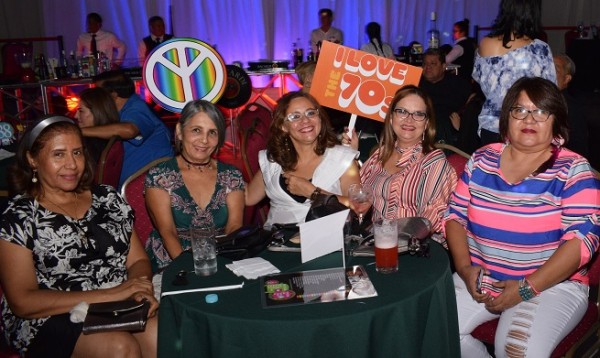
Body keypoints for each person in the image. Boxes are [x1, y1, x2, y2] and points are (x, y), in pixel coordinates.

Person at [444, 77, 600, 357]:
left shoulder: (574, 169)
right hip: (481, 278)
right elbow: (455, 217)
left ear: (556, 122)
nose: (529, 118)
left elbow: (581, 243)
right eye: (520, 109)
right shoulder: (481, 159)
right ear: (507, 118)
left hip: (552, 286)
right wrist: (466, 270)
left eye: (541, 111)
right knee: (431, 330)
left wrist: (526, 289)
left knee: (517, 350)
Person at [1, 116, 158, 357]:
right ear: (33, 159)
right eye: (58, 154)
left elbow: (137, 261)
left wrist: (139, 289)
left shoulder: (107, 199)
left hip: (117, 302)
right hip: (50, 316)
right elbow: (23, 301)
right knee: (119, 347)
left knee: (159, 335)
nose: (72, 164)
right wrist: (111, 294)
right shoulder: (19, 217)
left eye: (77, 152)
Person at [343, 85, 457, 247]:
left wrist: (392, 244)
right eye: (402, 111)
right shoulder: (379, 154)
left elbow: (428, 221)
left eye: (418, 114)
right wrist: (350, 156)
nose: (409, 119)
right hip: (373, 243)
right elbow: (357, 194)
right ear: (391, 118)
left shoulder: (433, 163)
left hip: (413, 250)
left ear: (426, 123)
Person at [144, 100, 245, 273]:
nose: (204, 140)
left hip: (219, 256)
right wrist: (188, 270)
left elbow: (234, 226)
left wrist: (222, 264)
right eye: (196, 130)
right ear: (179, 131)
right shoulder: (159, 176)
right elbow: (167, 232)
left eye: (212, 132)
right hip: (172, 259)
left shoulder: (231, 176)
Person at [245, 91, 360, 229]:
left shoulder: (342, 159)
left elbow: (358, 207)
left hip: (325, 241)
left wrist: (314, 193)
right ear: (283, 126)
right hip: (277, 244)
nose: (305, 120)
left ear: (320, 118)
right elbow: (247, 197)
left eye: (311, 113)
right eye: (295, 116)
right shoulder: (273, 161)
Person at [473, 0, 556, 146]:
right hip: (525, 128)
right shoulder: (540, 49)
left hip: (491, 126)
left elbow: (479, 79)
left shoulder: (485, 43)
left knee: (492, 169)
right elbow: (549, 93)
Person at [81, 70, 174, 188]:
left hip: (152, 183)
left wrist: (79, 131)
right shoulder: (122, 111)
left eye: (98, 92)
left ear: (113, 94)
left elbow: (129, 130)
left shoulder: (136, 108)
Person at [419, 48, 472, 146]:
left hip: (450, 132)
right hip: (422, 128)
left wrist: (463, 123)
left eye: (433, 64)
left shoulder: (458, 84)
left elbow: (472, 102)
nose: (427, 67)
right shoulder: (416, 84)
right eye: (425, 64)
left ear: (443, 66)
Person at [554, 53, 588, 158]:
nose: (547, 71)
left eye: (555, 69)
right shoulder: (532, 101)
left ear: (566, 79)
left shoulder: (570, 108)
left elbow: (579, 150)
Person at [74, 87, 120, 164]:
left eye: (81, 111)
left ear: (97, 112)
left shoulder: (91, 145)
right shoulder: (110, 140)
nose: (76, 116)